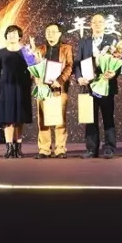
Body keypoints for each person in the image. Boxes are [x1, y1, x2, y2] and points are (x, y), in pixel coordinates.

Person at [74, 14, 118, 159]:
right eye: (95, 22)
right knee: (90, 118)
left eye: (100, 22)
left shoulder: (112, 40)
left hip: (106, 85)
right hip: (89, 86)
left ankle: (109, 148)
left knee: (108, 117)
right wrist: (79, 77)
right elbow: (77, 62)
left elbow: (118, 61)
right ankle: (92, 149)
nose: (98, 24)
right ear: (90, 25)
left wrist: (114, 73)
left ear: (105, 24)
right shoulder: (84, 42)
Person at [34, 23, 73, 159]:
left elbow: (69, 66)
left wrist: (60, 80)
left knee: (59, 119)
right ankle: (44, 149)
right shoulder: (40, 49)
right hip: (43, 88)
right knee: (42, 119)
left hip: (58, 88)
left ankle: (60, 149)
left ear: (59, 34)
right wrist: (36, 79)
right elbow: (34, 67)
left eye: (53, 31)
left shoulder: (66, 48)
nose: (50, 34)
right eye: (47, 31)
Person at [0, 25, 33, 158]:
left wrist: (33, 53)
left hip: (22, 87)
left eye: (14, 33)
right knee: (8, 118)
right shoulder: (1, 52)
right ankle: (9, 148)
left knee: (19, 118)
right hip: (6, 87)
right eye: (9, 33)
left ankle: (18, 148)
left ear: (20, 36)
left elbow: (33, 68)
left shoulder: (26, 51)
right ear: (6, 36)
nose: (12, 36)